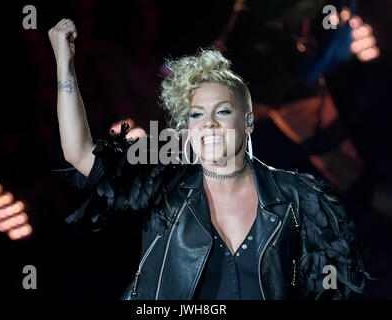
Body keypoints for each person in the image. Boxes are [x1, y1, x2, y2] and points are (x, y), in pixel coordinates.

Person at [49, 19, 370, 300]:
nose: (210, 124)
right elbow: (80, 154)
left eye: (222, 111)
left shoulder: (293, 197)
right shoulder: (166, 180)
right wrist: (65, 65)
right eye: (198, 114)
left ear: (248, 121)